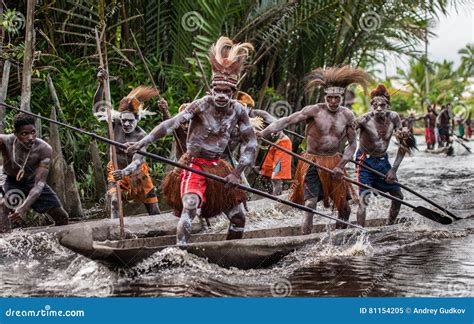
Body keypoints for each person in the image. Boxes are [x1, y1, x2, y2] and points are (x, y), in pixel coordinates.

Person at [126, 36, 257, 245]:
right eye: (218, 91)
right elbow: (171, 124)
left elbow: (251, 144)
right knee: (190, 207)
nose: (221, 96)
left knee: (239, 218)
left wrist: (237, 172)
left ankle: (230, 251)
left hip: (218, 168)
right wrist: (144, 142)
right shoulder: (202, 105)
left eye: (226, 92)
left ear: (233, 92)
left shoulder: (239, 110)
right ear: (212, 90)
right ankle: (181, 253)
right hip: (193, 166)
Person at [259, 65, 368, 233]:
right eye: (330, 97)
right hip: (312, 162)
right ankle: (305, 240)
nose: (333, 101)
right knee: (310, 204)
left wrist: (341, 165)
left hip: (334, 163)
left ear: (342, 97)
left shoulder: (347, 115)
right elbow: (286, 121)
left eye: (336, 98)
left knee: (345, 209)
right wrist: (266, 131)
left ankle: (339, 239)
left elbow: (353, 144)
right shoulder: (314, 110)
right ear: (325, 96)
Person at [93, 68, 163, 218]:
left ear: (137, 119)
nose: (126, 124)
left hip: (138, 173)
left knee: (153, 209)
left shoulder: (141, 135)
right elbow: (98, 109)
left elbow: (138, 161)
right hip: (116, 170)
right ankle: (115, 229)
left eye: (130, 121)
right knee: (114, 201)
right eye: (123, 120)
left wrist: (124, 172)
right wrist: (101, 84)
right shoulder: (115, 125)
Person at [354, 85, 415, 226]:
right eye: (375, 105)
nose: (379, 108)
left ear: (388, 105)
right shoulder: (363, 119)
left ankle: (390, 225)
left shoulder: (394, 118)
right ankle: (359, 233)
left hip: (383, 161)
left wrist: (393, 170)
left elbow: (403, 145)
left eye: (382, 105)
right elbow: (346, 133)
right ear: (371, 106)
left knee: (398, 196)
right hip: (364, 161)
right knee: (364, 199)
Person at [0, 113, 68, 233]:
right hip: (11, 180)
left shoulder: (44, 149)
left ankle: (54, 245)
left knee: (62, 217)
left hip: (33, 182)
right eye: (24, 134)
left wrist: (23, 208)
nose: (31, 137)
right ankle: (5, 242)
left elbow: (39, 185)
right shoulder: (5, 141)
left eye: (33, 132)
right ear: (15, 134)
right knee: (4, 205)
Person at [259, 131, 293, 195]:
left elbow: (277, 126)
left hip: (282, 143)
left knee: (276, 175)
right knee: (265, 173)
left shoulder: (270, 121)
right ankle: (272, 193)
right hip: (272, 144)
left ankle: (276, 199)